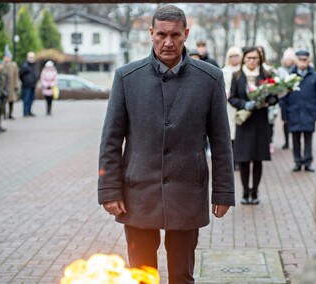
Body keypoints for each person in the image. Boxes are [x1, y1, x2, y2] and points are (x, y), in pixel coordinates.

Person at [97, 5, 235, 284]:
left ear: (186, 34)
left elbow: (221, 142)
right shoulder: (127, 77)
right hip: (138, 192)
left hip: (187, 191)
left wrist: (223, 191)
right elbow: (111, 139)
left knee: (182, 276)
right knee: (141, 275)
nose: (168, 42)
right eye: (161, 34)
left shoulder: (210, 78)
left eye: (175, 35)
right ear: (151, 34)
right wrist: (109, 190)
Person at [228, 46, 278, 205]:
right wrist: (245, 104)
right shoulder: (237, 76)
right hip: (245, 121)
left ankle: (255, 192)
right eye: (249, 58)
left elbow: (274, 97)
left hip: (261, 121)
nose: (252, 61)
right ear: (244, 59)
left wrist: (268, 100)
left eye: (255, 58)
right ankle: (245, 192)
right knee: (244, 159)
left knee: (258, 158)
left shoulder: (266, 75)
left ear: (260, 59)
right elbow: (232, 97)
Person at [279, 49, 316, 172]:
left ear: (308, 60)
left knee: (308, 138)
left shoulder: (314, 76)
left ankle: (308, 161)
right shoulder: (290, 76)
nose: (302, 62)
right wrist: (284, 114)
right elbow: (283, 97)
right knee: (295, 139)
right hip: (293, 111)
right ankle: (297, 161)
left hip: (309, 111)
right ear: (296, 60)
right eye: (300, 60)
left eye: (305, 60)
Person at [222, 46, 241, 170]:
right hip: (228, 106)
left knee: (240, 132)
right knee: (230, 133)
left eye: (236, 56)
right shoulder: (224, 71)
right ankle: (232, 160)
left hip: (240, 104)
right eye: (231, 56)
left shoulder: (243, 70)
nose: (234, 59)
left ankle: (240, 159)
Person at [277, 48, 297, 150]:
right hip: (284, 99)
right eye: (286, 59)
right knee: (285, 121)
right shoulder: (280, 70)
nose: (288, 62)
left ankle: (294, 141)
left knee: (294, 121)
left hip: (294, 98)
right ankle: (286, 141)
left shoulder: (296, 70)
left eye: (290, 59)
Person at [2, 45, 19, 119]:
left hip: (11, 85)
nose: (8, 58)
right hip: (4, 85)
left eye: (9, 57)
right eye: (6, 57)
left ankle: (10, 113)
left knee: (11, 101)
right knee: (3, 101)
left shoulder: (14, 65)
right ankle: (4, 114)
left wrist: (16, 85)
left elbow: (16, 76)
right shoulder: (2, 65)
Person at [19, 51, 37, 117]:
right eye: (30, 57)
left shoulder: (34, 64)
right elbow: (20, 74)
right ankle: (25, 112)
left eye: (33, 57)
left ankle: (29, 111)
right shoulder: (24, 64)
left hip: (33, 84)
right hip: (26, 85)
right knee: (26, 99)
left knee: (31, 99)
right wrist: (24, 81)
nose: (32, 58)